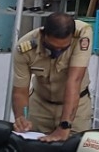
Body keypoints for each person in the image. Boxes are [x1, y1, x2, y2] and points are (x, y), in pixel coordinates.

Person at [11, 12, 94, 142]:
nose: (57, 52)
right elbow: (20, 91)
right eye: (52, 47)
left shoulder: (82, 34)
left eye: (63, 49)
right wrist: (21, 117)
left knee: (74, 146)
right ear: (43, 34)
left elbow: (74, 80)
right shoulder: (24, 48)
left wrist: (65, 125)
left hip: (76, 108)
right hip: (40, 106)